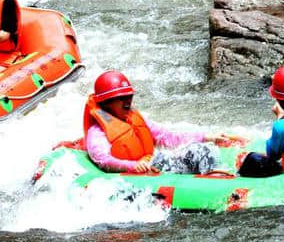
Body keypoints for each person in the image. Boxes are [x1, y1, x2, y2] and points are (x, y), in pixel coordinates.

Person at [83, 71, 232, 175]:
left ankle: (222, 175)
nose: (128, 100)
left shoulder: (134, 118)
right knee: (198, 154)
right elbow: (104, 160)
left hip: (156, 163)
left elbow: (168, 136)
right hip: (141, 173)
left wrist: (207, 137)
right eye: (122, 97)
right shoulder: (97, 133)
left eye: (129, 95)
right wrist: (133, 166)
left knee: (203, 150)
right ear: (107, 103)